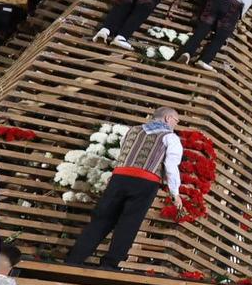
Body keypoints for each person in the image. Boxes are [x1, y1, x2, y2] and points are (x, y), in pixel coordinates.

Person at [65, 108, 183, 270]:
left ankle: (74, 259)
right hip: (145, 181)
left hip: (119, 178)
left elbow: (125, 155)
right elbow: (170, 165)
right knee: (129, 223)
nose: (176, 125)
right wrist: (175, 193)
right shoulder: (170, 137)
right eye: (176, 121)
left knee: (101, 219)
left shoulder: (132, 131)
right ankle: (109, 264)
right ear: (168, 118)